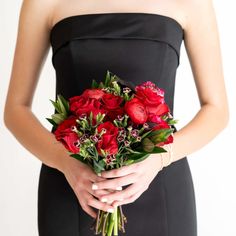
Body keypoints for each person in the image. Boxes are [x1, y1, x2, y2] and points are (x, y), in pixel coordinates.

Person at [3, 0, 229, 235]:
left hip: (160, 183)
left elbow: (216, 109)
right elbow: (16, 110)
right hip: (73, 186)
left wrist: (159, 159)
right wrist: (64, 162)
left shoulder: (193, 3)